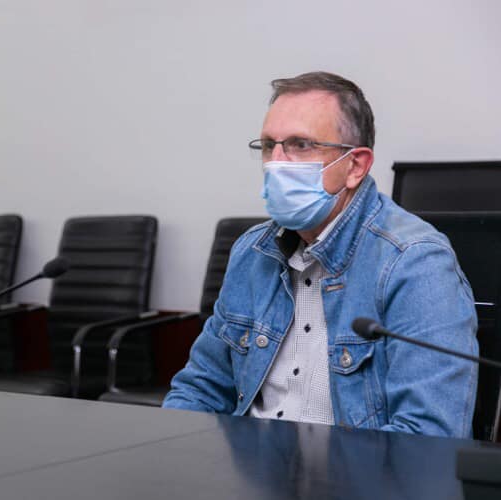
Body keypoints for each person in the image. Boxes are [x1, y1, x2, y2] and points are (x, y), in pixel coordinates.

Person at [163, 71, 478, 438]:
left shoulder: (414, 262)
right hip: (245, 466)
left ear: (355, 166)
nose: (276, 163)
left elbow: (427, 437)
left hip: (353, 471)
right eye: (269, 145)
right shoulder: (251, 250)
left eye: (300, 144)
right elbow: (200, 389)